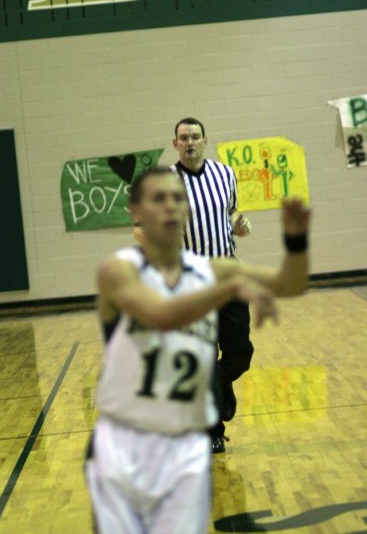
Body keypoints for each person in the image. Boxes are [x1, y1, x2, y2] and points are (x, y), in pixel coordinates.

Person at [85, 166, 310, 534]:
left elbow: (290, 281)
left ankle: (217, 394)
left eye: (178, 200)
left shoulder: (214, 265)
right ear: (137, 216)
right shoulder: (121, 270)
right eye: (159, 200)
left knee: (236, 356)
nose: (172, 208)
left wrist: (296, 240)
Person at [172, 117, 253, 452]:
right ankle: (212, 431)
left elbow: (231, 212)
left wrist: (239, 224)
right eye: (183, 138)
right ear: (175, 144)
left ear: (205, 140)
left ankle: (219, 385)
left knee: (240, 353)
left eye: (195, 136)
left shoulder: (225, 174)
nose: (190, 142)